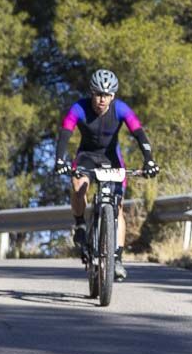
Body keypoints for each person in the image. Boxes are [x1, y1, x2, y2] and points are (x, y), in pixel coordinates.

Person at [53, 69, 159, 281]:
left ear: (113, 96)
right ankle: (81, 224)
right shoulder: (79, 108)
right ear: (92, 93)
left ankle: (117, 259)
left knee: (117, 208)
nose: (102, 99)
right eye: (98, 94)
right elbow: (65, 133)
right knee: (78, 184)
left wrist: (149, 160)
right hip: (87, 157)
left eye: (107, 95)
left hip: (111, 158)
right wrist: (59, 160)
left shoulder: (121, 109)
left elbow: (139, 133)